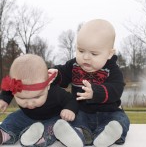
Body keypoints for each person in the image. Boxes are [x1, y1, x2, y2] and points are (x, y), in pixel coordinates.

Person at [51, 19, 130, 147]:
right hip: (82, 111)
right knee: (74, 119)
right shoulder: (74, 65)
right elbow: (63, 74)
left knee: (121, 120)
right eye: (81, 51)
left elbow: (116, 89)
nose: (86, 57)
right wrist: (54, 74)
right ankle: (78, 134)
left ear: (109, 54)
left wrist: (96, 92)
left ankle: (108, 134)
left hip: (109, 112)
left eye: (94, 53)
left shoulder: (112, 70)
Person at [0, 54, 78, 146]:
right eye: (22, 98)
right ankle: (4, 134)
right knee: (13, 119)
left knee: (55, 126)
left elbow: (71, 100)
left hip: (51, 117)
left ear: (48, 86)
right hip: (26, 116)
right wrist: (4, 100)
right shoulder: (14, 87)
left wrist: (69, 109)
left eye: (36, 97)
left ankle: (39, 138)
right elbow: (7, 90)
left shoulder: (55, 92)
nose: (29, 103)